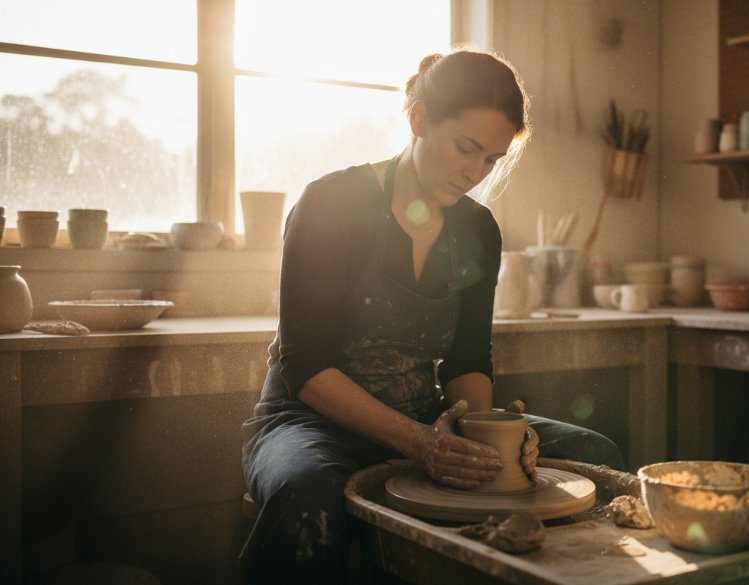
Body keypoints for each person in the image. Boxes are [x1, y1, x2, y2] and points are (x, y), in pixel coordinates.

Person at [240, 48, 624, 584]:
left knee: (591, 453)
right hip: (312, 423)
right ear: (419, 118)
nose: (475, 172)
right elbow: (305, 366)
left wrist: (490, 436)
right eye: (466, 148)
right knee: (308, 493)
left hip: (427, 416)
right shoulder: (331, 204)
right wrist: (422, 443)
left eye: (491, 159)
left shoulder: (477, 230)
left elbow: (468, 358)